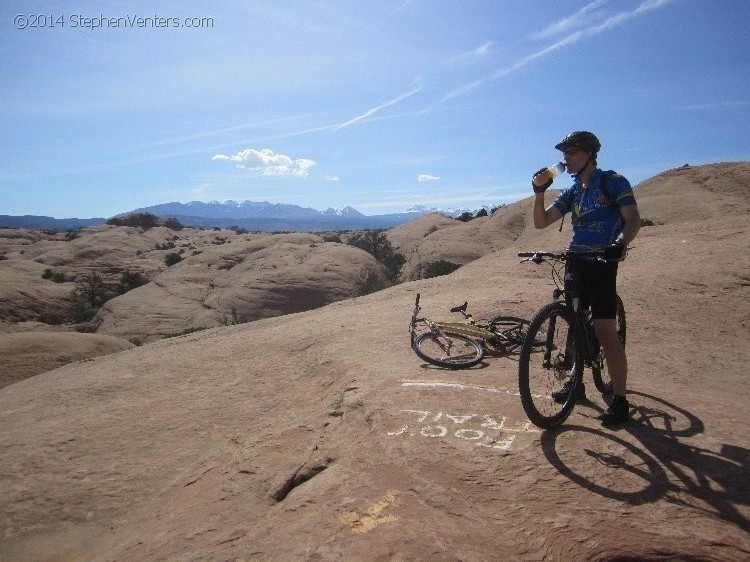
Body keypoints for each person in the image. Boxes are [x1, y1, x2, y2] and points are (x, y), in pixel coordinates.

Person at [531, 131, 641, 425]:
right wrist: (539, 191)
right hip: (575, 260)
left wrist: (620, 242)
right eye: (565, 153)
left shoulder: (612, 181)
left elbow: (632, 218)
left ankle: (619, 399)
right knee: (573, 321)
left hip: (603, 260)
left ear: (589, 154)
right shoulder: (573, 191)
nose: (566, 157)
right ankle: (575, 383)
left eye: (572, 152)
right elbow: (541, 222)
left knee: (606, 332)